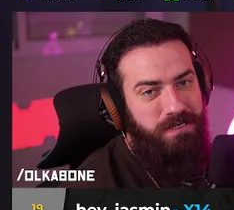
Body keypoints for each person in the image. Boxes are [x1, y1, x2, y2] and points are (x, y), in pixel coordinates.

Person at [60, 19, 215, 189]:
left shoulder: (228, 164)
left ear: (203, 84)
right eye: (149, 92)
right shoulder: (90, 191)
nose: (175, 106)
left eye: (184, 83)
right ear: (118, 107)